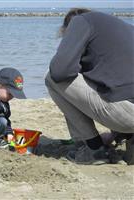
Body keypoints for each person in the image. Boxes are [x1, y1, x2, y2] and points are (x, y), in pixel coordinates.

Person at [45, 8, 134, 165]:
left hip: (128, 115)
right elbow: (121, 81)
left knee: (52, 78)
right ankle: (127, 138)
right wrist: (115, 135)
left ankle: (93, 149)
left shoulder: (80, 21)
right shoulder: (123, 28)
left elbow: (60, 71)